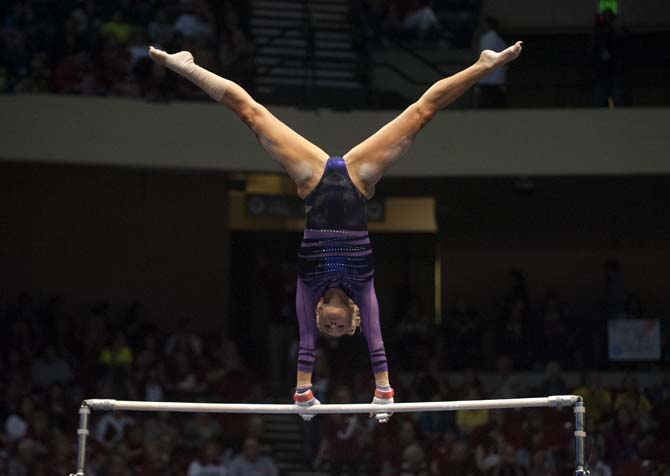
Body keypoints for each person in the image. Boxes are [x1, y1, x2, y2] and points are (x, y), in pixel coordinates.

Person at [148, 38, 523, 421]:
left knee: (252, 115)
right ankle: (485, 64)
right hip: (357, 183)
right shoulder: (363, 287)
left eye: (327, 324)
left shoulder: (308, 290)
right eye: (339, 327)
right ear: (351, 316)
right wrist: (383, 392)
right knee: (420, 114)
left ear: (320, 312)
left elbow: (306, 345)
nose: (331, 324)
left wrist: (303, 393)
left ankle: (187, 67)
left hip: (314, 184)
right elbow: (376, 341)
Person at [477, 17, 509, 108]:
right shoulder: (493, 38)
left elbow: (485, 57)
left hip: (491, 76)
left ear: (488, 25)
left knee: (490, 99)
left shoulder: (490, 38)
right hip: (493, 76)